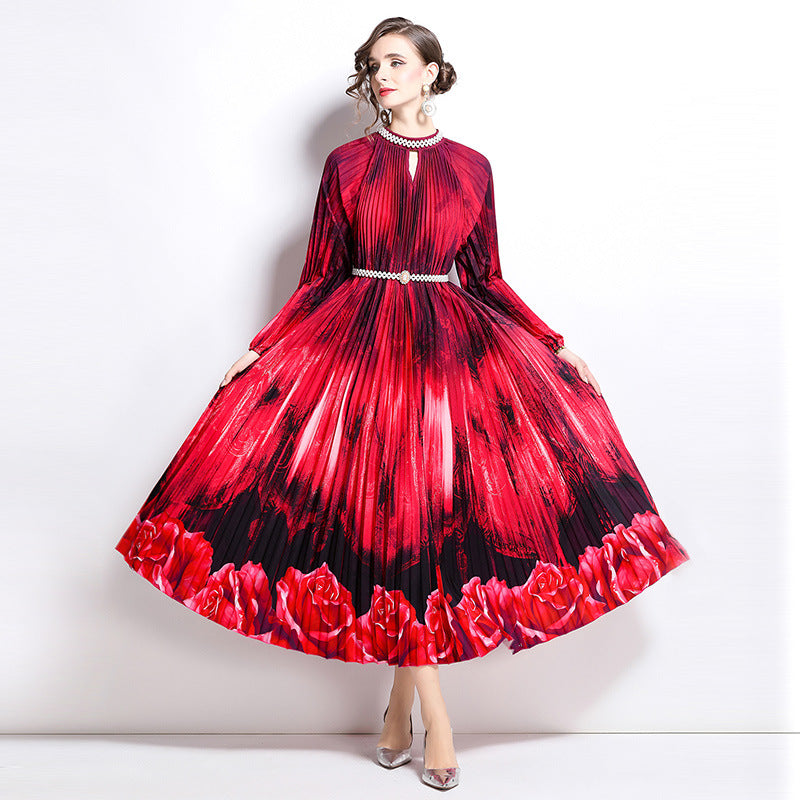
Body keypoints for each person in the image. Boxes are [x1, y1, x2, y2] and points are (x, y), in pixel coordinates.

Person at [115, 16, 691, 792]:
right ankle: (436, 723)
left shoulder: (473, 168)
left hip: (446, 357)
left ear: (430, 72)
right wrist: (263, 345)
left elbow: (484, 276)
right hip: (361, 352)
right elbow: (319, 276)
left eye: (395, 61)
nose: (381, 75)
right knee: (394, 532)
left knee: (417, 528)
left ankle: (398, 710)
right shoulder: (348, 164)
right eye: (372, 64)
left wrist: (552, 341)